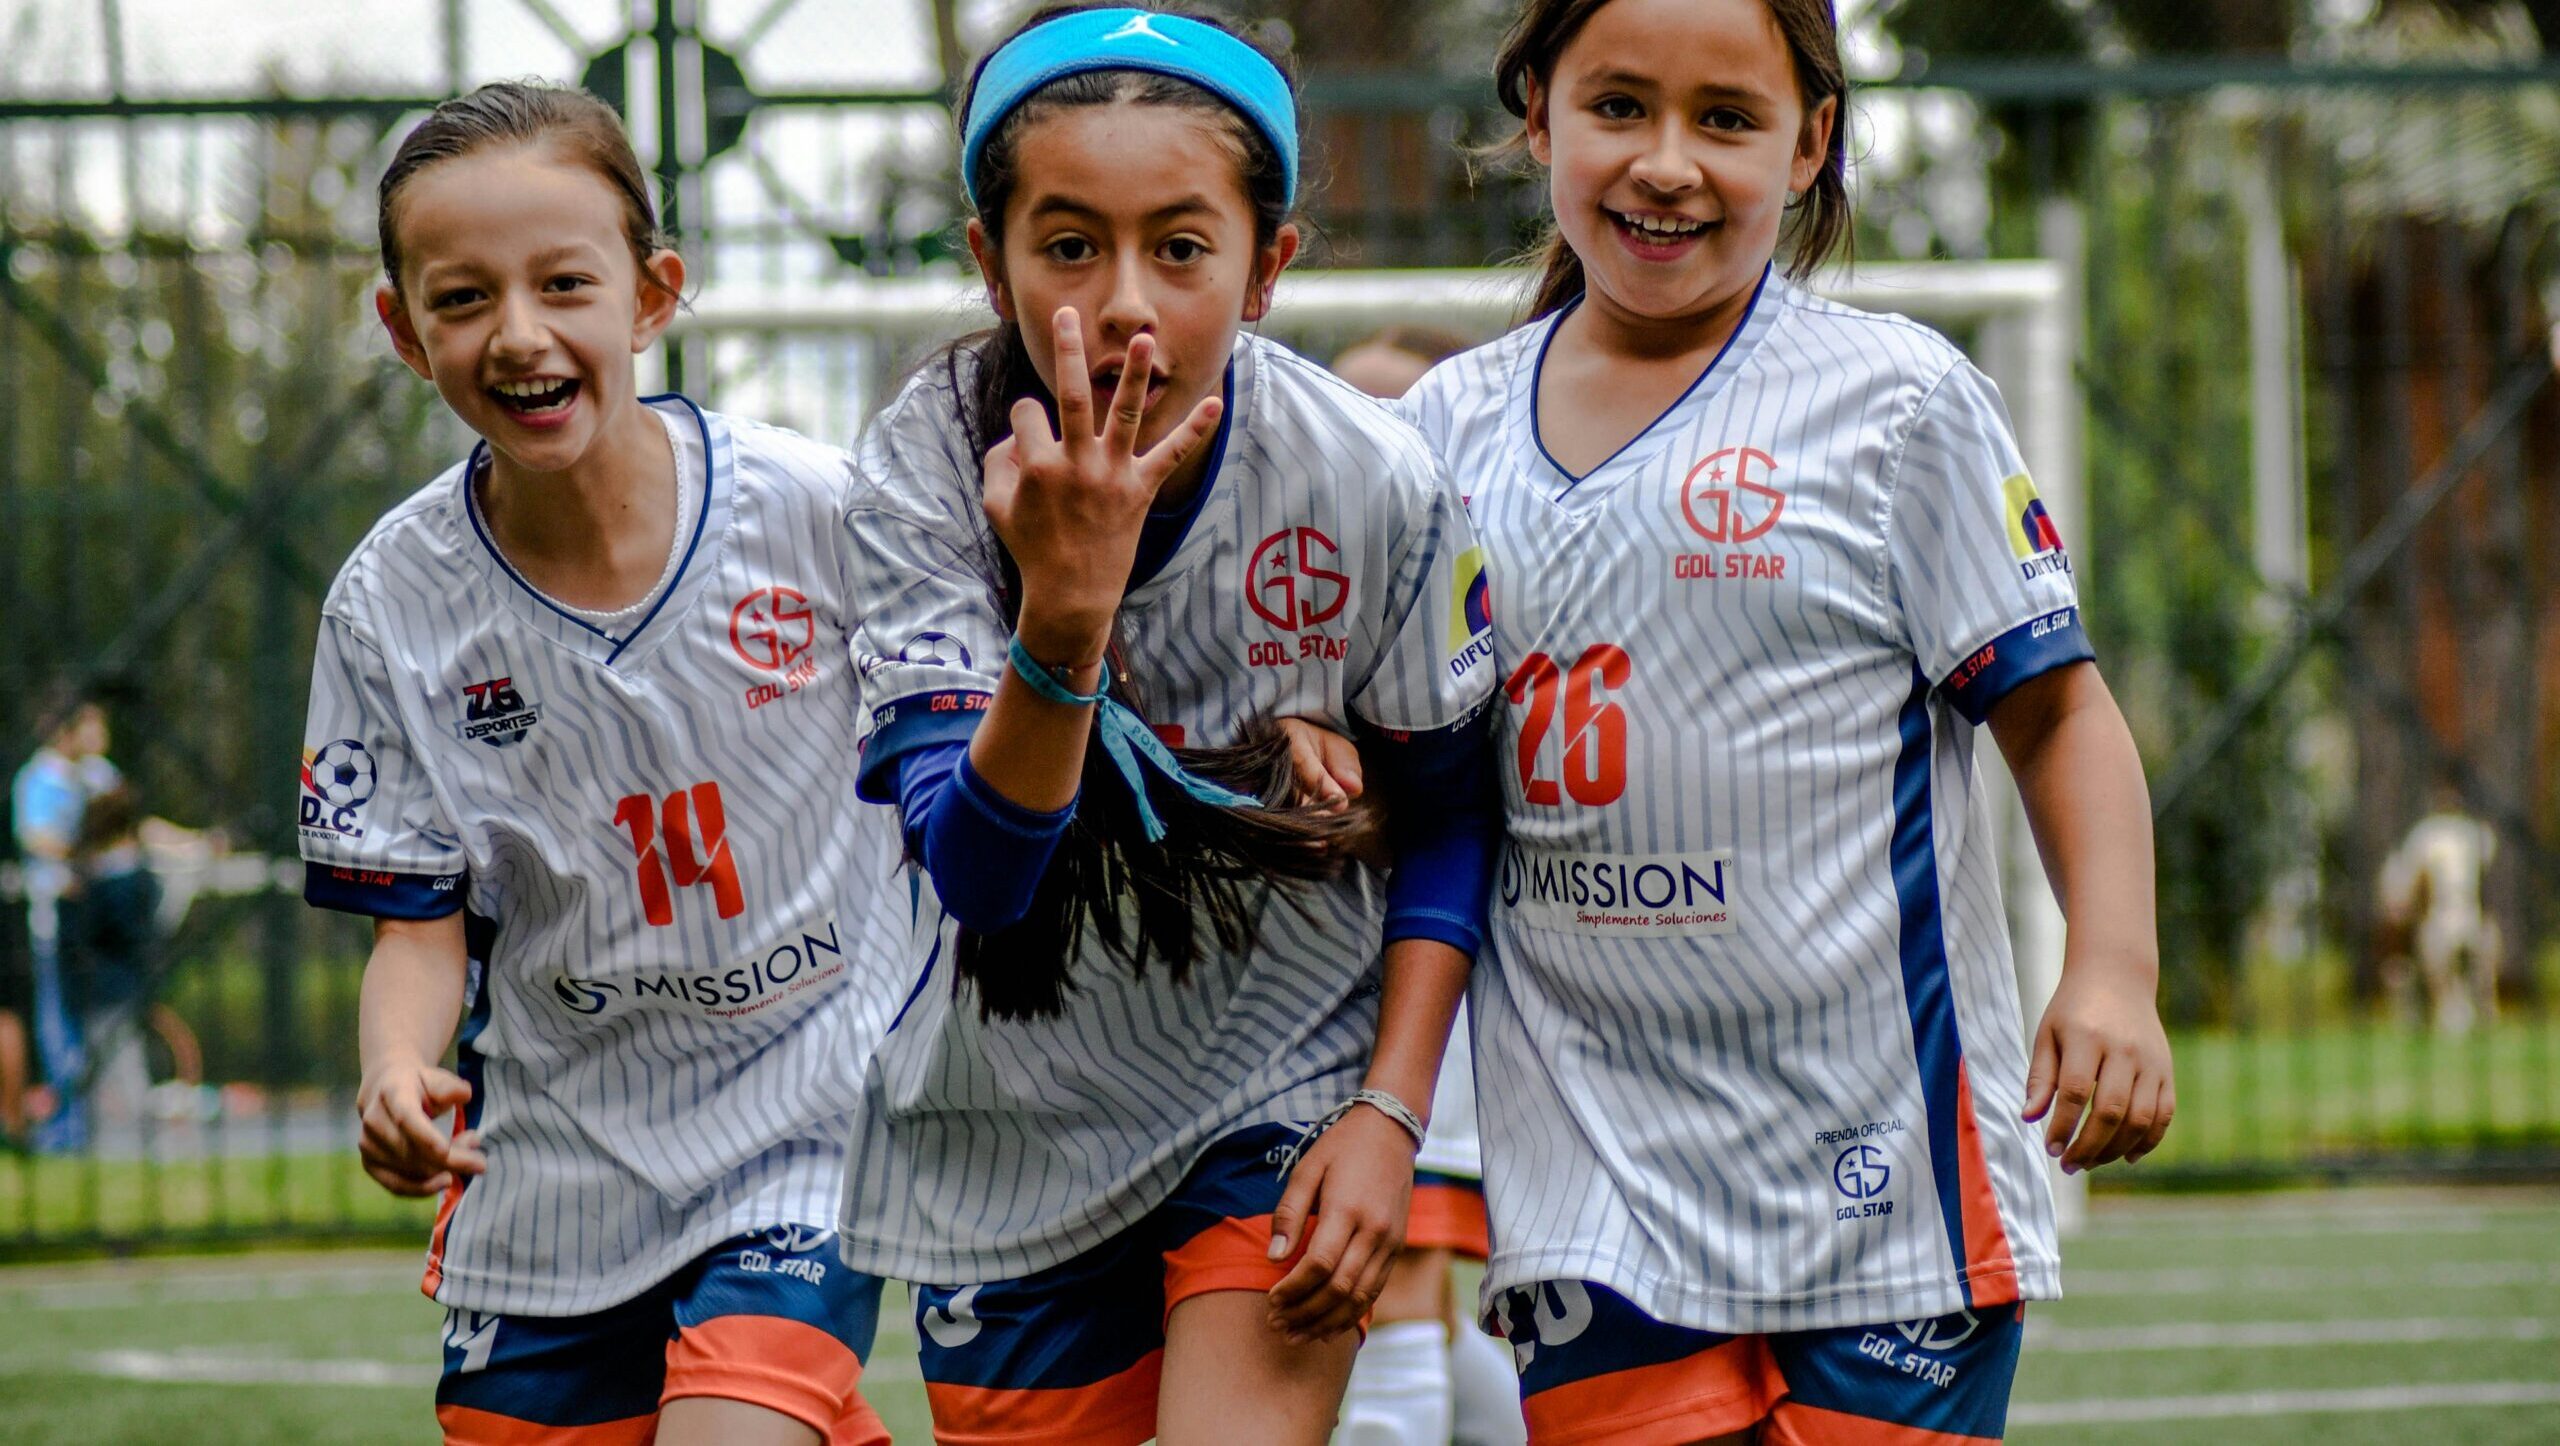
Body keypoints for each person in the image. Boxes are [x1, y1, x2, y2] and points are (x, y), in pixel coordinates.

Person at [1398, 1, 2177, 1440]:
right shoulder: (1440, 435)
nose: (1667, 162)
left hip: (1884, 1167)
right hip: (1593, 1175)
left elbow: (2060, 715)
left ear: (1811, 141)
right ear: (1537, 115)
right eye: (1619, 107)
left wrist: (2114, 968)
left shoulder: (1895, 404)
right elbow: (1404, 756)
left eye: (1729, 119)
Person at [835, 6, 1502, 1441]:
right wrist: (1066, 616)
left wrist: (1388, 1116)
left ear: (1268, 268)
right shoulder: (917, 471)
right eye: (1069, 244)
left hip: (1278, 1078)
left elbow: (1454, 809)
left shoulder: (1373, 476)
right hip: (1011, 1103)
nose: (1125, 299)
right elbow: (980, 876)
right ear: (988, 256)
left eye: (1183, 248)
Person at [308, 80, 903, 1446]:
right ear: (405, 332)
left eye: (565, 282)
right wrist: (395, 1070)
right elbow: (417, 918)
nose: (519, 334)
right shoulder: (391, 602)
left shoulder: (816, 515)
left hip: (806, 1121)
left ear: (651, 295)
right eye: (463, 300)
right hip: (558, 1156)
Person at [1330, 326, 1526, 1446]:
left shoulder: (1488, 571)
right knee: (1415, 1306)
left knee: (1396, 1284)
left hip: (1451, 961)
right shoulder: (1299, 563)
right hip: (1326, 964)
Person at [10, 694, 121, 1151]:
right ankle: (68, 1129)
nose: (101, 736)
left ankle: (94, 1123)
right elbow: (35, 837)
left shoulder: (101, 775)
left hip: (101, 921)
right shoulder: (38, 778)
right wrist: (80, 857)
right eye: (91, 726)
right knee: (59, 1026)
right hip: (54, 921)